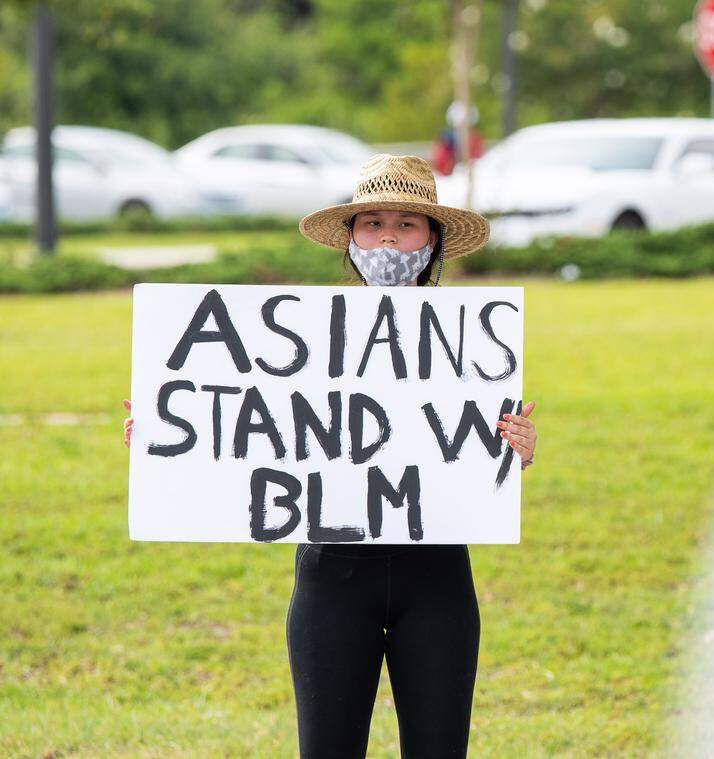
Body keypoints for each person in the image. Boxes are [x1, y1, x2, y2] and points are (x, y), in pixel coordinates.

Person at [122, 153, 538, 758]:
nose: (388, 238)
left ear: (434, 240)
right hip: (332, 580)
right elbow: (243, 425)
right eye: (372, 223)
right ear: (350, 239)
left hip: (439, 579)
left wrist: (517, 450)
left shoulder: (474, 345)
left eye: (406, 224)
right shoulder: (306, 336)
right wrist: (166, 438)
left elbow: (480, 449)